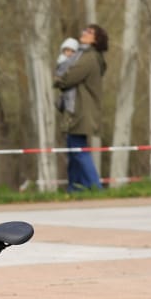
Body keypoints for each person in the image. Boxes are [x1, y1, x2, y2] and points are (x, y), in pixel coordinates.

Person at [55, 23, 108, 191]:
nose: (84, 32)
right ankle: (75, 188)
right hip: (78, 110)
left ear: (96, 39)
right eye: (85, 29)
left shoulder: (89, 57)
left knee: (79, 150)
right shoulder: (84, 55)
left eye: (89, 32)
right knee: (73, 149)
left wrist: (58, 79)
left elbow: (70, 77)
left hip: (82, 111)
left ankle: (96, 187)